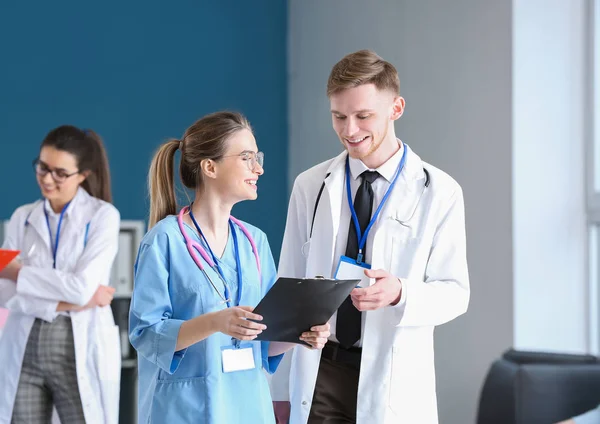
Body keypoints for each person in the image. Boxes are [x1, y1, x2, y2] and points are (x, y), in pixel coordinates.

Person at [269, 50, 470, 424]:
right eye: (339, 116)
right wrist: (278, 392)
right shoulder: (311, 186)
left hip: (391, 374)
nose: (350, 130)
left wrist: (400, 292)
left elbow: (456, 293)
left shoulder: (440, 191)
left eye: (363, 116)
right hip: (321, 369)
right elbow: (289, 286)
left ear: (396, 108)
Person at [129, 111, 331, 424]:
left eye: (258, 157)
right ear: (209, 167)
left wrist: (299, 335)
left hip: (248, 405)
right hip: (187, 408)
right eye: (247, 158)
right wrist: (215, 322)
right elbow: (145, 333)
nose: (259, 168)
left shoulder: (255, 242)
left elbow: (263, 338)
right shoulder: (164, 240)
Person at [0, 125, 121, 424]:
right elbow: (4, 292)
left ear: (83, 175)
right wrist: (67, 303)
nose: (47, 178)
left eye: (60, 173)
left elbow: (80, 287)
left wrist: (20, 273)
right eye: (42, 167)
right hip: (24, 342)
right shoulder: (21, 217)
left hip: (76, 344)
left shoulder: (103, 217)